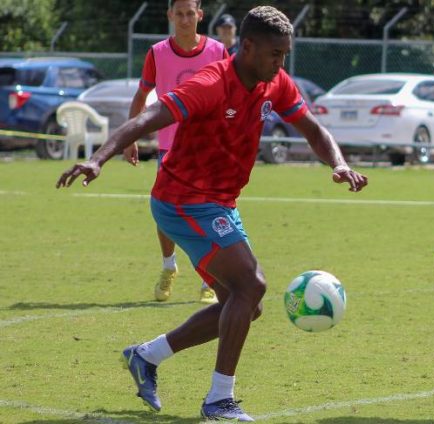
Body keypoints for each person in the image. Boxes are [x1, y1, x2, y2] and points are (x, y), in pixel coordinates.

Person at [57, 5, 368, 421]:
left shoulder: (274, 82)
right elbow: (151, 116)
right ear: (248, 46)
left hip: (218, 203)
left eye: (285, 55)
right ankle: (219, 400)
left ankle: (146, 356)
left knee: (244, 304)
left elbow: (312, 128)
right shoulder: (212, 83)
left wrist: (339, 163)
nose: (281, 63)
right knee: (251, 286)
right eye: (276, 54)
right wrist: (98, 158)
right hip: (180, 201)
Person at [123, 0, 229, 305]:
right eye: (178, 13)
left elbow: (229, 97)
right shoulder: (157, 53)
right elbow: (141, 96)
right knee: (165, 212)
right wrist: (130, 138)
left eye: (189, 13)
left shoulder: (217, 51)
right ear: (170, 15)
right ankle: (169, 267)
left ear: (199, 15)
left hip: (208, 147)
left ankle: (210, 277)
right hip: (171, 147)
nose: (184, 19)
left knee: (211, 211)